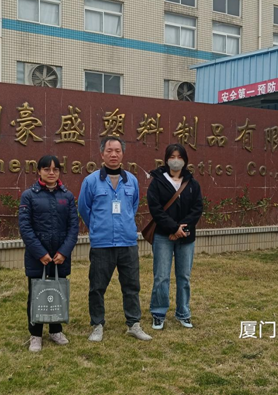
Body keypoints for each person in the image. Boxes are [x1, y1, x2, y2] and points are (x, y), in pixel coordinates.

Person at [78, 136, 152, 342]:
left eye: (117, 151)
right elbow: (84, 208)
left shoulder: (132, 181)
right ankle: (97, 325)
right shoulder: (91, 181)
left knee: (131, 285)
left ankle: (133, 324)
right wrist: (98, 226)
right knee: (97, 286)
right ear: (102, 154)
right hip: (102, 243)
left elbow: (133, 206)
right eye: (109, 151)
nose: (113, 154)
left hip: (127, 242)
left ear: (122, 154)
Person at [18, 155, 79, 352]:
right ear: (39, 171)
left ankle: (56, 330)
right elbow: (25, 227)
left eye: (55, 169)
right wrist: (40, 253)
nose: (51, 173)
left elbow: (73, 227)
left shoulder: (67, 196)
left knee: (58, 292)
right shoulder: (29, 195)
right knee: (37, 293)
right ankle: (35, 334)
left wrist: (64, 252)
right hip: (38, 257)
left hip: (60, 256)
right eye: (46, 169)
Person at [147, 143, 203, 330]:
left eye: (179, 157)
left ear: (185, 160)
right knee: (161, 276)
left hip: (186, 237)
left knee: (184, 277)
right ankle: (158, 313)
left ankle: (183, 312)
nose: (176, 160)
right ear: (166, 159)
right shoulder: (157, 182)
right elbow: (155, 209)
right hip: (163, 236)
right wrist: (172, 228)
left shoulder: (192, 184)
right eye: (172, 157)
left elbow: (197, 209)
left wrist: (181, 230)